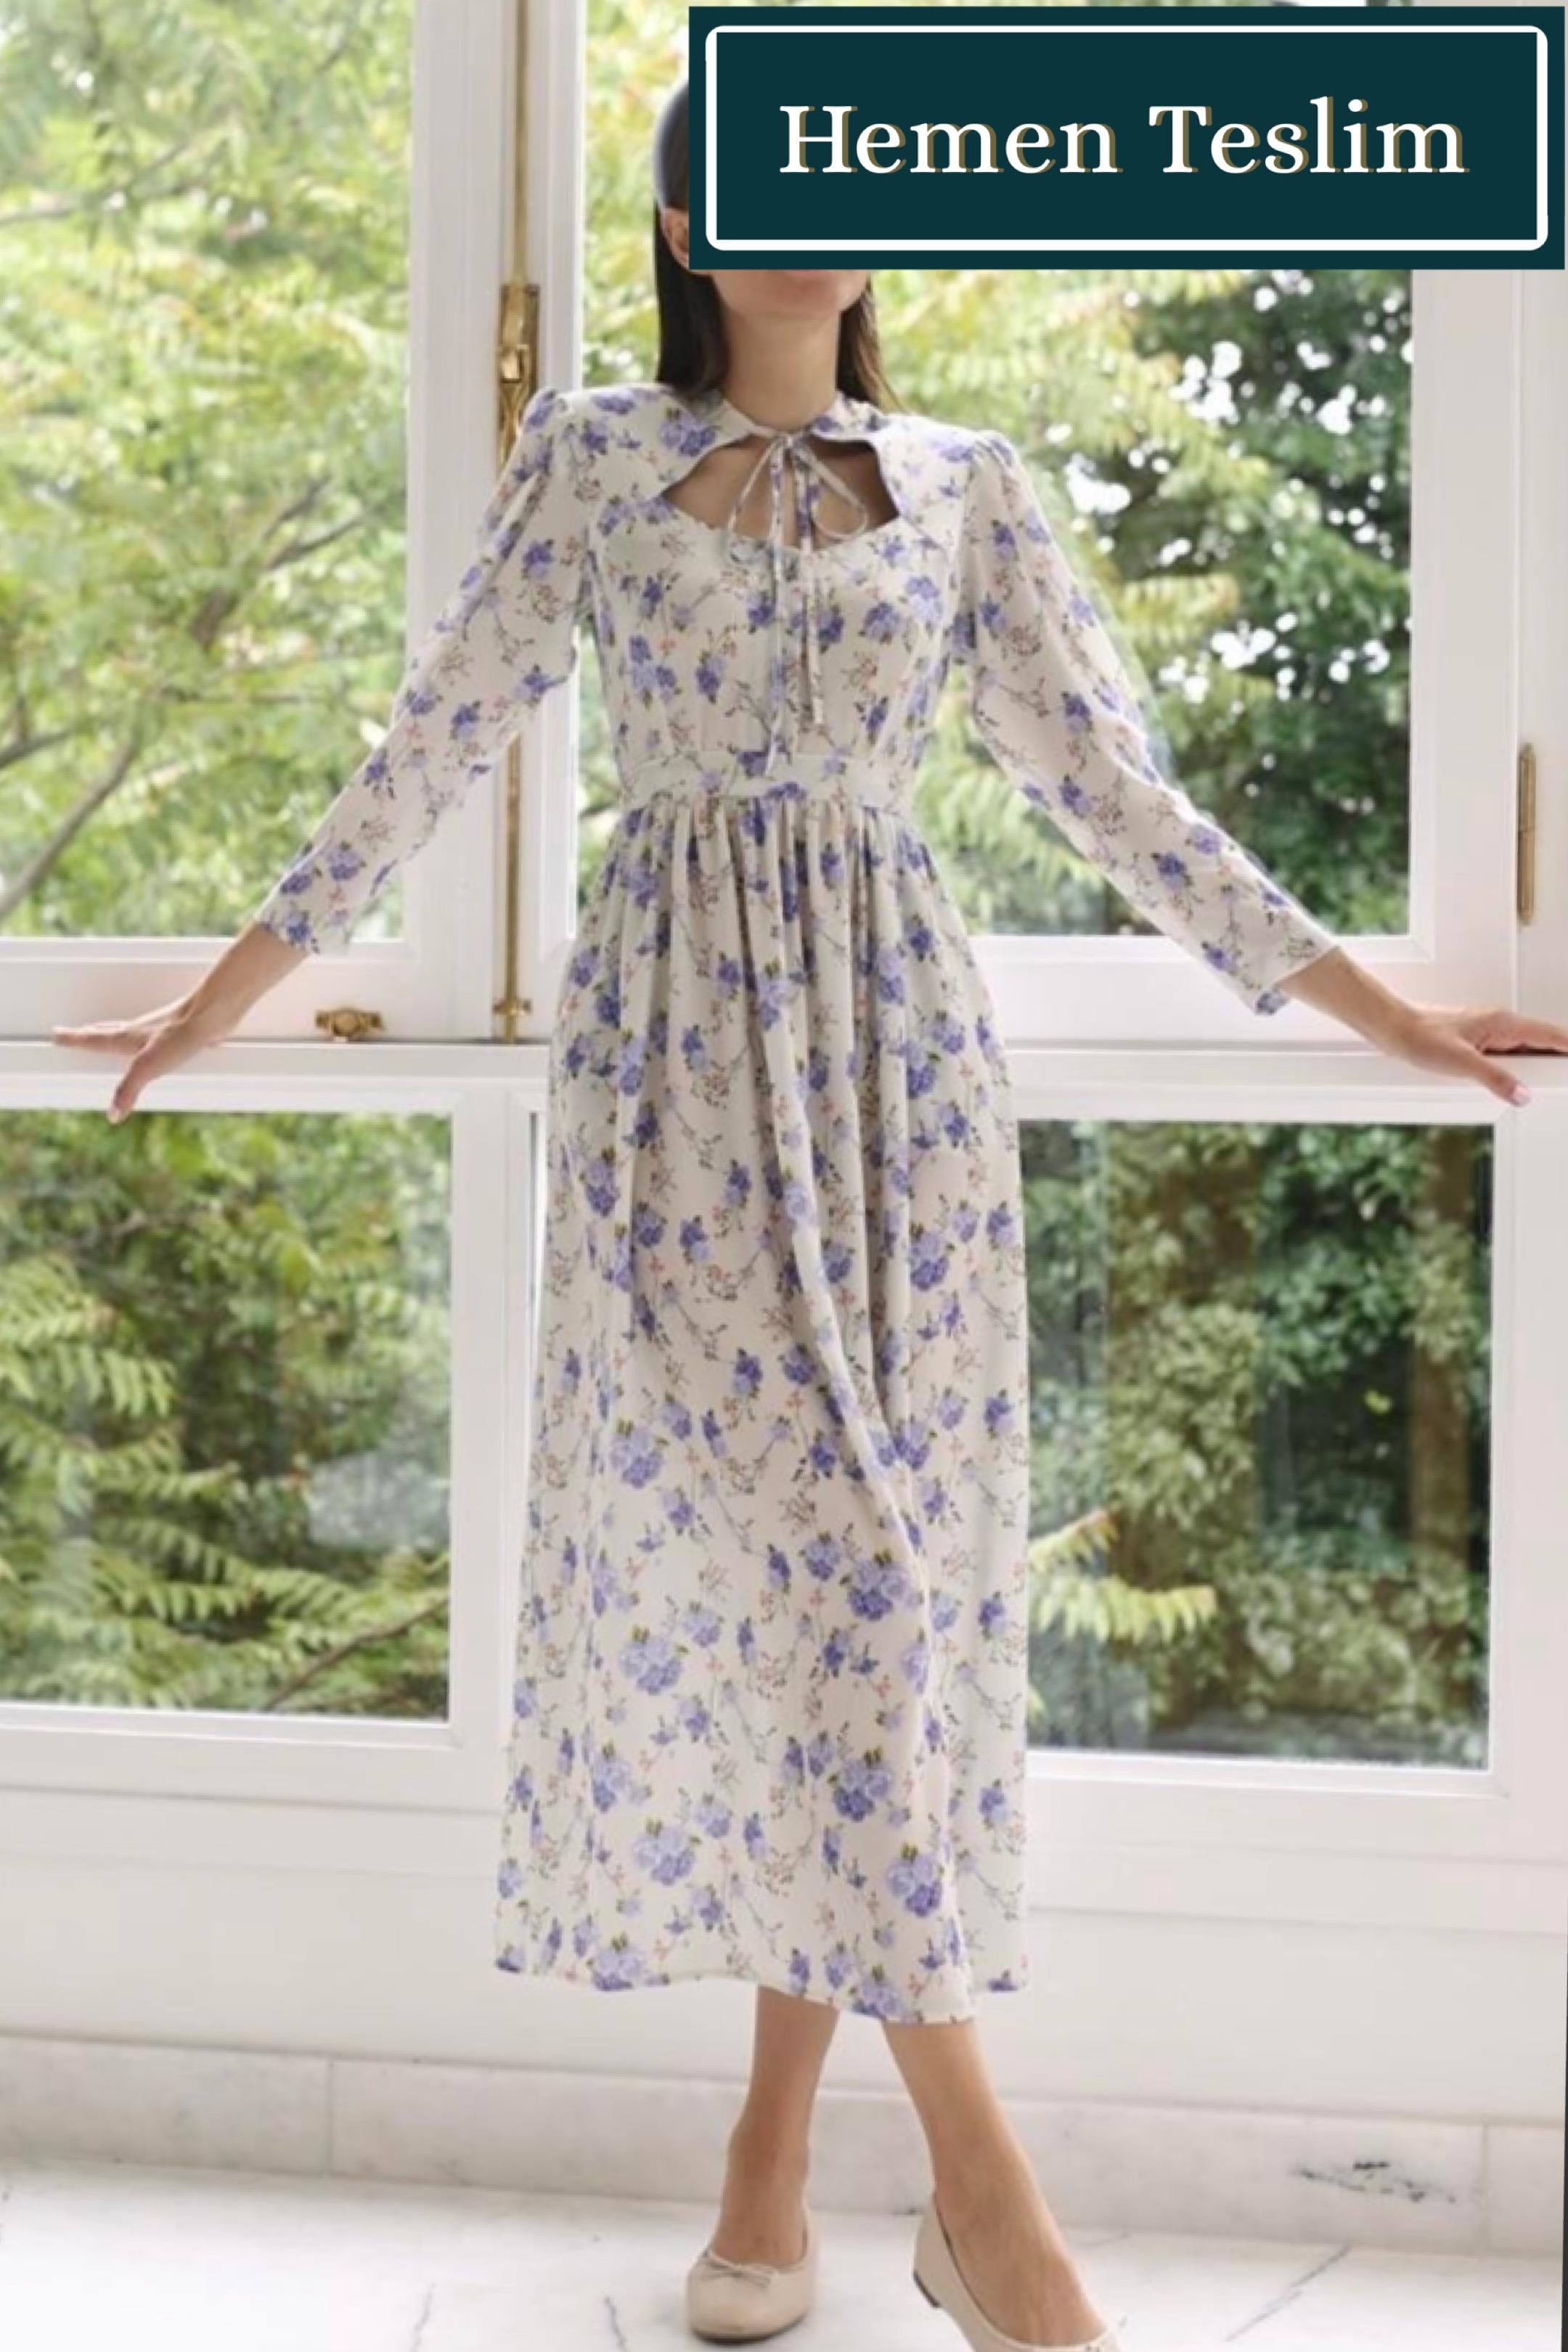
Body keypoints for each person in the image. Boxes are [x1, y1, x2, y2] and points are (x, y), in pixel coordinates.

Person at [54, 73, 1567, 2352]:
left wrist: (1393, 1018)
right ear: (681, 220)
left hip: (898, 1088)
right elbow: (427, 744)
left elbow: (1125, 808)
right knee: (827, 1600)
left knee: (865, 1608)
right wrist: (211, 1000)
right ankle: (990, 2210)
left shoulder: (968, 487)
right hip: (671, 1091)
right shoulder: (589, 458)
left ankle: (768, 2175)